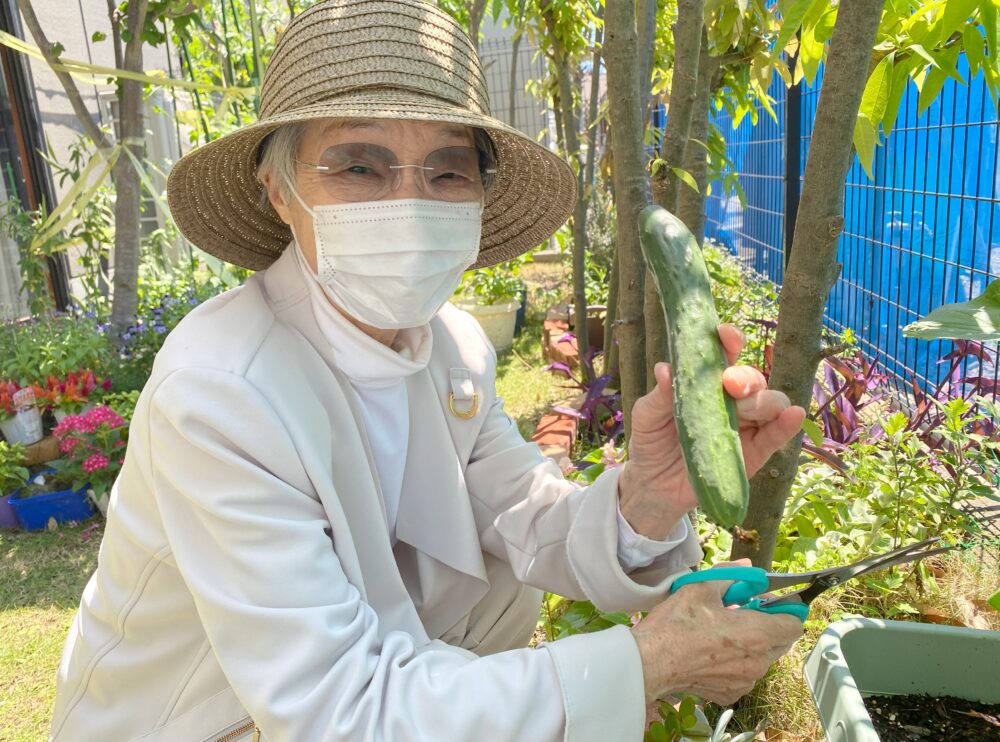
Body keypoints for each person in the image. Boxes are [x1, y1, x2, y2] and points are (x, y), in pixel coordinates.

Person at [49, 2, 805, 740]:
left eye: (448, 171)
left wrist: (648, 496)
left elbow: (526, 515)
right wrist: (650, 662)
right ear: (279, 190)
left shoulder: (454, 346)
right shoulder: (220, 394)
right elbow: (337, 710)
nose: (409, 203)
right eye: (358, 165)